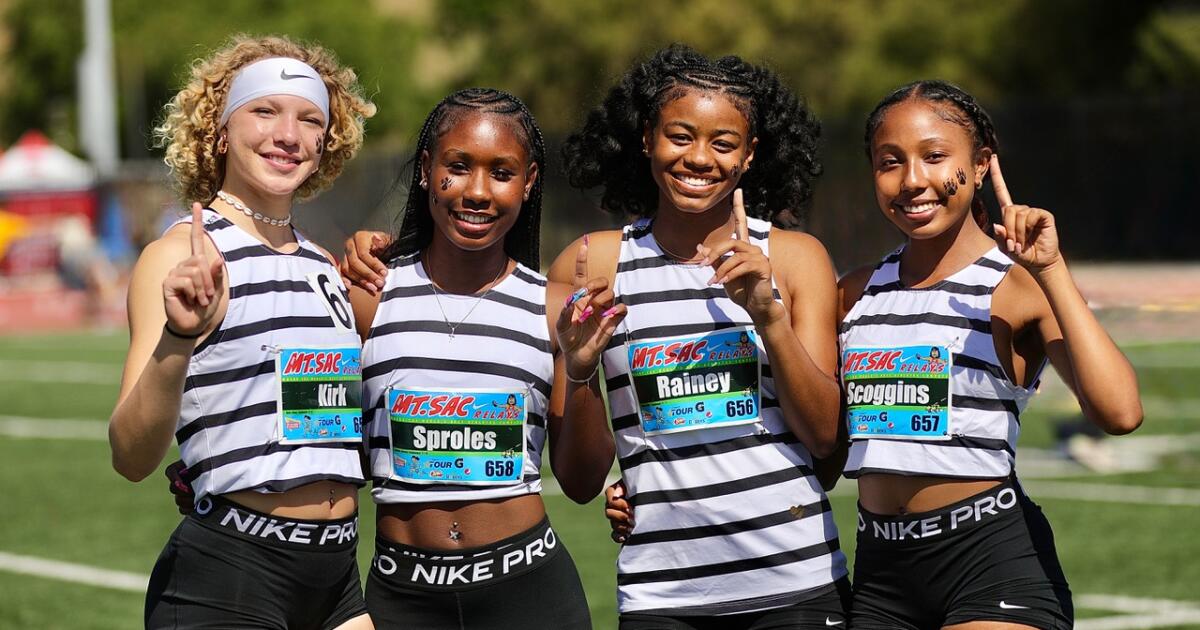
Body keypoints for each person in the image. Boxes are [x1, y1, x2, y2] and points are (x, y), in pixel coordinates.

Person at [558, 44, 850, 628]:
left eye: (723, 143)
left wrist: (769, 317)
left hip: (797, 585)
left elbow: (825, 439)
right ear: (647, 138)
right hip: (661, 597)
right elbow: (580, 482)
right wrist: (581, 369)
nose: (699, 158)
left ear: (749, 154)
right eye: (680, 136)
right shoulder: (593, 263)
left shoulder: (795, 258)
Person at [838, 79, 1143, 629]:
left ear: (980, 165)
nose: (913, 180)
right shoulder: (855, 292)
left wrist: (1051, 270)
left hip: (991, 563)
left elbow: (1120, 412)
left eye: (935, 157)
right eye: (890, 162)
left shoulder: (1016, 284)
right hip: (880, 574)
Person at [108, 34, 376, 629]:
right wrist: (178, 339)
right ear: (221, 130)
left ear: (326, 142)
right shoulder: (180, 254)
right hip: (229, 579)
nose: (288, 134)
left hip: (338, 580)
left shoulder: (322, 264)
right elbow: (130, 455)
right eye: (265, 111)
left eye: (310, 119)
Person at [345, 88, 616, 628]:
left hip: (530, 593)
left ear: (528, 182)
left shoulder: (555, 308)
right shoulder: (368, 294)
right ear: (427, 169)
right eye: (458, 166)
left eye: (502, 173)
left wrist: (582, 369)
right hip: (402, 597)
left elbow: (583, 483)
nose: (477, 192)